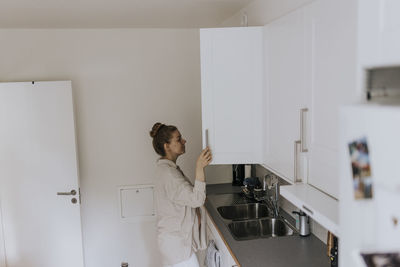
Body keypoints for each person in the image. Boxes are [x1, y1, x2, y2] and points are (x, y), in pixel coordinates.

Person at [149, 122, 212, 267]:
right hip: (176, 246)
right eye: (178, 139)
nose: (184, 141)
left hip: (171, 243)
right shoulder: (169, 174)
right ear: (167, 146)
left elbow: (184, 199)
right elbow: (196, 199)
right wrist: (199, 167)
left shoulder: (166, 169)